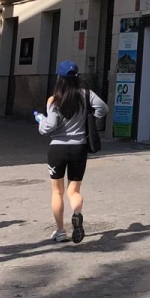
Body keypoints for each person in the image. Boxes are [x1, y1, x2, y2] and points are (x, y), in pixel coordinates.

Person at [37, 62, 107, 244]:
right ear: (77, 77)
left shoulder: (54, 100)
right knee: (74, 190)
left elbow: (50, 126)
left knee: (57, 191)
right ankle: (77, 214)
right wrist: (91, 118)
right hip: (79, 148)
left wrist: (41, 122)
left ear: (59, 78)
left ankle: (60, 231)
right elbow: (103, 108)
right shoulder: (86, 95)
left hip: (57, 149)